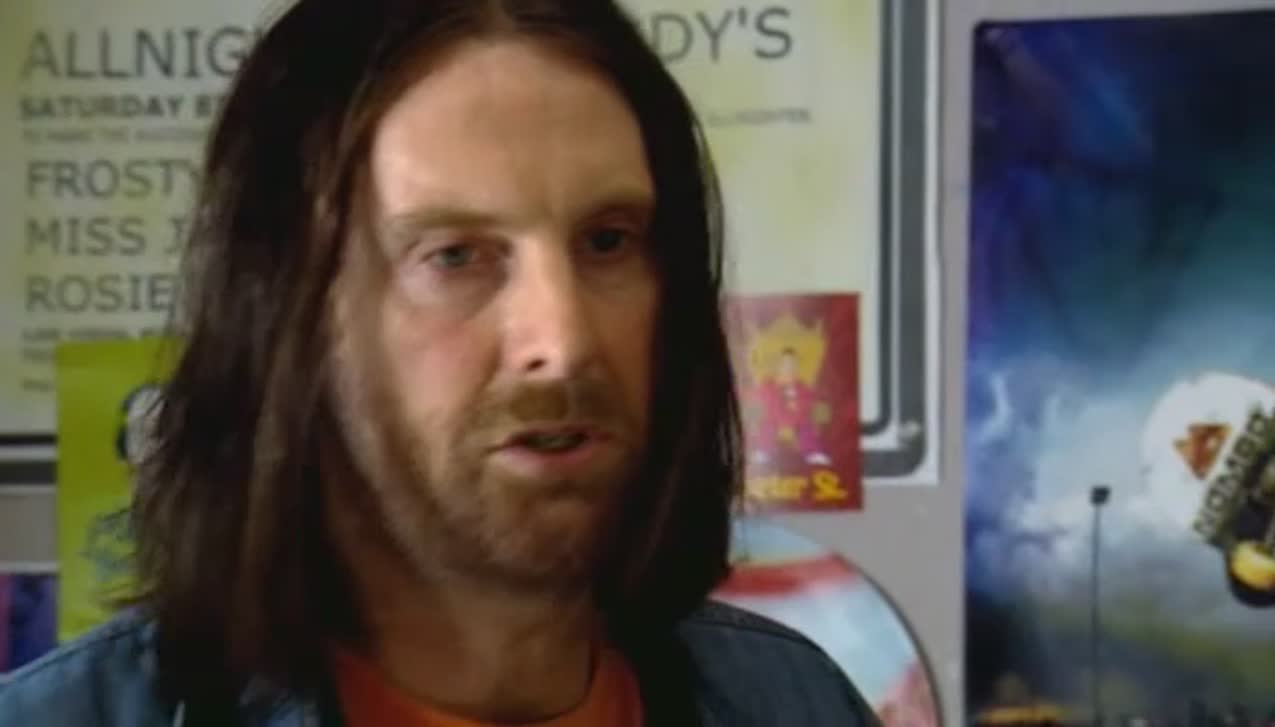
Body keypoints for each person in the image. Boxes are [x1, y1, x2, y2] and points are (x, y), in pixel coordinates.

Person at [0, 1, 880, 725]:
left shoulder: (795, 703)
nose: (563, 340)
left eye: (609, 241)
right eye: (455, 256)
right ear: (289, 314)